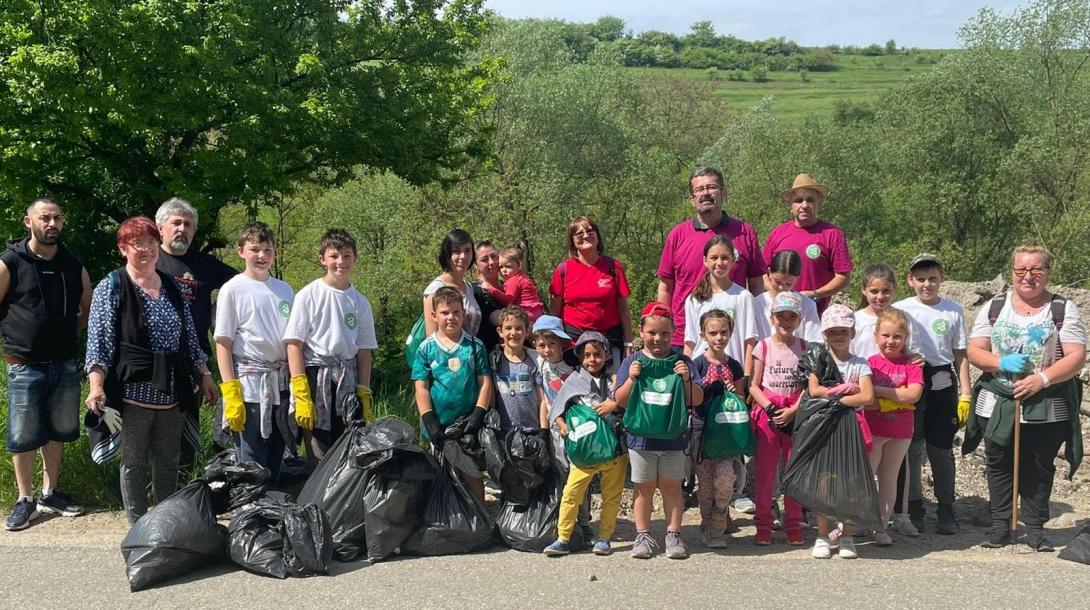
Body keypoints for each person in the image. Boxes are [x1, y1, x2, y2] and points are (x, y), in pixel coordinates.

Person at [85, 216, 216, 523]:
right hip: (132, 390)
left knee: (169, 460)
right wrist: (96, 385)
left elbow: (189, 336)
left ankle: (164, 525)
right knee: (133, 462)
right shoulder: (112, 286)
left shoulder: (171, 284)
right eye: (137, 243)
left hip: (172, 389)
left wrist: (205, 374)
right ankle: (137, 526)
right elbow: (98, 343)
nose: (146, 249)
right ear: (123, 249)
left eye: (151, 242)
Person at [965, 242, 1086, 552]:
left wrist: (1041, 379)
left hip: (1048, 403)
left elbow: (1076, 357)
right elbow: (975, 350)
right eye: (1021, 270)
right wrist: (999, 362)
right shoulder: (994, 307)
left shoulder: (1062, 309)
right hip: (998, 401)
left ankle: (1034, 528)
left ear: (1047, 273)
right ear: (1012, 272)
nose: (1027, 276)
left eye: (1035, 270)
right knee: (999, 462)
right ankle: (1000, 526)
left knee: (1039, 464)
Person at [0, 197, 91, 530]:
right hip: (23, 364)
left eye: (56, 218)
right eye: (44, 218)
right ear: (29, 222)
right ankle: (25, 499)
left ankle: (50, 492)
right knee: (23, 435)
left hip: (65, 363)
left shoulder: (72, 264)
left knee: (58, 432)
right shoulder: (10, 261)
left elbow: (86, 309)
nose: (51, 224)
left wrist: (64, 332)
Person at [615, 302, 704, 559]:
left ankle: (674, 535)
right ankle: (642, 535)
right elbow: (619, 400)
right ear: (641, 332)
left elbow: (696, 399)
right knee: (642, 488)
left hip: (674, 439)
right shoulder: (632, 361)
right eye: (652, 332)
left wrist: (687, 378)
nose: (658, 338)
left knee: (672, 487)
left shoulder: (682, 362)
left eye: (664, 333)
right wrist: (632, 379)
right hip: (641, 439)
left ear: (673, 333)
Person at [893, 253, 972, 536]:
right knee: (911, 449)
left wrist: (965, 393)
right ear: (910, 280)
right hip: (910, 377)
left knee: (940, 450)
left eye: (933, 279)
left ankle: (946, 508)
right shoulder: (900, 308)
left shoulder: (953, 310)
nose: (927, 284)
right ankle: (913, 506)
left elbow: (960, 354)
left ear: (941, 279)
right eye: (921, 279)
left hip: (941, 380)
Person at [284, 229, 377, 465]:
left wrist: (364, 392)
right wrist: (301, 390)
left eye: (347, 256)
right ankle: (317, 499)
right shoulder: (308, 295)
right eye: (334, 256)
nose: (341, 262)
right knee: (318, 448)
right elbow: (294, 344)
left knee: (347, 446)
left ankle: (342, 500)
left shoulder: (360, 302)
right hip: (317, 378)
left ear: (355, 259)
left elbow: (364, 351)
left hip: (347, 378)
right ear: (322, 259)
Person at [214, 222, 294, 487]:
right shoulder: (233, 289)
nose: (262, 256)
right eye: (255, 249)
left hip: (280, 384)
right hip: (249, 386)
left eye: (267, 249)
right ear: (241, 251)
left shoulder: (285, 290)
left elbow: (293, 342)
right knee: (250, 459)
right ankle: (250, 515)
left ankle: (270, 516)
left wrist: (296, 384)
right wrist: (230, 390)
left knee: (276, 454)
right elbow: (223, 342)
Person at [155, 198, 235, 461]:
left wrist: (218, 313)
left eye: (188, 224)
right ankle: (156, 491)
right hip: (154, 361)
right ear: (160, 228)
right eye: (175, 223)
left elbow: (243, 286)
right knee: (154, 428)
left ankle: (185, 488)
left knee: (188, 428)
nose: (182, 229)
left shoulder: (205, 264)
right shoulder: (149, 260)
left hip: (195, 360)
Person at [657, 166, 766, 351]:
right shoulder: (677, 235)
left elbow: (756, 284)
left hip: (731, 337)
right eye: (699, 190)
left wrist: (757, 331)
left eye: (711, 187)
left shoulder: (745, 232)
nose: (705, 193)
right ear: (692, 200)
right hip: (684, 338)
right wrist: (663, 324)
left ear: (723, 193)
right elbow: (666, 286)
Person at [543, 332, 627, 557]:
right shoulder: (573, 381)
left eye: (597, 354)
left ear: (607, 355)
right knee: (572, 492)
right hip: (585, 449)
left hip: (614, 449)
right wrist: (564, 427)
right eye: (587, 355)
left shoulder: (616, 380)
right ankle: (562, 538)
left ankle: (604, 538)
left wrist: (614, 403)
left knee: (612, 494)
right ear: (580, 357)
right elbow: (556, 411)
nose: (592, 360)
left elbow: (628, 404)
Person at [413, 286, 493, 504]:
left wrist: (478, 413)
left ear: (464, 314)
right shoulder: (426, 349)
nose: (451, 318)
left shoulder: (475, 347)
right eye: (445, 313)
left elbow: (485, 382)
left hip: (467, 423)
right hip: (438, 424)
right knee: (440, 474)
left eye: (456, 312)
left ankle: (480, 521)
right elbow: (421, 387)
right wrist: (428, 419)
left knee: (472, 474)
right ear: (434, 316)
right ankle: (446, 522)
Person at [808, 304, 874, 559]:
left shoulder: (860, 363)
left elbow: (867, 396)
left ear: (852, 333)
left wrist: (833, 397)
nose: (838, 336)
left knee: (850, 483)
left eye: (843, 331)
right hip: (824, 428)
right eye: (833, 331)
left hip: (852, 427)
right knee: (823, 483)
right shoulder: (819, 361)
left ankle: (846, 535)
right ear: (824, 334)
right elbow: (814, 391)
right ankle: (822, 535)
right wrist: (847, 391)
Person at [748, 291, 808, 546]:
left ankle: (793, 522)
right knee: (765, 473)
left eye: (791, 316)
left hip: (795, 410)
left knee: (794, 472)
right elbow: (753, 385)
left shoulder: (805, 347)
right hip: (769, 411)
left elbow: (810, 384)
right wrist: (770, 408)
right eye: (780, 315)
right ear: (772, 317)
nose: (785, 320)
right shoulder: (763, 346)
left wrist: (795, 409)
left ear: (799, 318)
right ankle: (763, 522)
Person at [863, 308, 923, 547]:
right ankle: (860, 521)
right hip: (873, 428)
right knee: (867, 476)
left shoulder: (911, 364)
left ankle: (881, 525)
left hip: (900, 432)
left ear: (905, 338)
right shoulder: (870, 364)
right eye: (886, 336)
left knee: (889, 480)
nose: (891, 341)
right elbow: (866, 397)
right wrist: (898, 396)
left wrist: (879, 392)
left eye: (897, 337)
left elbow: (914, 394)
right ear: (876, 336)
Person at [691, 310, 746, 548]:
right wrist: (708, 393)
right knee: (704, 485)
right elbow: (692, 399)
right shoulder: (697, 364)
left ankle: (717, 524)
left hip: (727, 432)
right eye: (713, 333)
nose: (719, 338)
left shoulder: (734, 365)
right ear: (703, 335)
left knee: (725, 477)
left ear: (731, 333)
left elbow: (742, 397)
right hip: (702, 432)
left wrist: (735, 395)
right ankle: (707, 523)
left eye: (724, 332)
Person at [762, 174, 852, 313]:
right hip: (779, 314)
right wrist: (774, 293)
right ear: (791, 206)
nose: (804, 205)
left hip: (815, 314)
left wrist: (815, 294)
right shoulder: (778, 232)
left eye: (810, 200)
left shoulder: (833, 234)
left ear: (819, 204)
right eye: (798, 200)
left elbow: (843, 277)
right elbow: (762, 271)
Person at [549, 216, 634, 363]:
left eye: (590, 231)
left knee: (613, 385)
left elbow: (624, 311)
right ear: (572, 241)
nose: (586, 236)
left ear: (597, 236)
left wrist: (628, 343)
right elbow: (554, 313)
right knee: (577, 385)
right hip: (574, 342)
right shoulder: (563, 270)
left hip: (609, 341)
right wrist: (553, 342)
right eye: (579, 233)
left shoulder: (613, 267)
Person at [682, 235, 757, 373]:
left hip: (734, 372)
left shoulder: (744, 297)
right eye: (714, 258)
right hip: (701, 373)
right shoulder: (694, 299)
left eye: (724, 258)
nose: (719, 263)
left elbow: (750, 342)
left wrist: (746, 375)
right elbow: (690, 342)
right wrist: (687, 373)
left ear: (733, 260)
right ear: (705, 260)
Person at [491, 306, 546, 431]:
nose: (514, 332)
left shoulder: (534, 362)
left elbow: (542, 400)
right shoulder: (494, 362)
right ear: (500, 331)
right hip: (505, 432)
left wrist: (544, 431)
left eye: (519, 328)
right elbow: (492, 399)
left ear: (527, 332)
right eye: (508, 328)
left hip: (532, 431)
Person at [424, 229, 483, 338]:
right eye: (456, 251)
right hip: (448, 354)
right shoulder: (435, 290)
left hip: (472, 353)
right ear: (447, 254)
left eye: (467, 250)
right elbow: (431, 341)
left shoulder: (468, 286)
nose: (463, 256)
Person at [755, 250, 822, 342]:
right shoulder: (757, 303)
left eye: (789, 283)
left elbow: (814, 340)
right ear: (769, 273)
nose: (782, 287)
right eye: (777, 282)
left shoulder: (807, 305)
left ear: (797, 278)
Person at [852, 263, 899, 359]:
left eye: (886, 291)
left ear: (894, 288)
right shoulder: (854, 320)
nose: (880, 297)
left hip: (894, 373)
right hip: (861, 373)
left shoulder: (902, 318)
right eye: (874, 291)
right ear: (864, 290)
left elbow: (913, 350)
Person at [472, 240, 506, 353]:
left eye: (494, 256)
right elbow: (501, 320)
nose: (491, 262)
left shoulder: (509, 285)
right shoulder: (475, 290)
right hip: (492, 355)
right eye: (484, 260)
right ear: (476, 264)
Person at [497, 244, 544, 323]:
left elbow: (507, 300)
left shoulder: (513, 281)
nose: (504, 270)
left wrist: (493, 291)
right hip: (536, 314)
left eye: (508, 266)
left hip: (526, 314)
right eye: (501, 267)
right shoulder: (523, 277)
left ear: (519, 265)